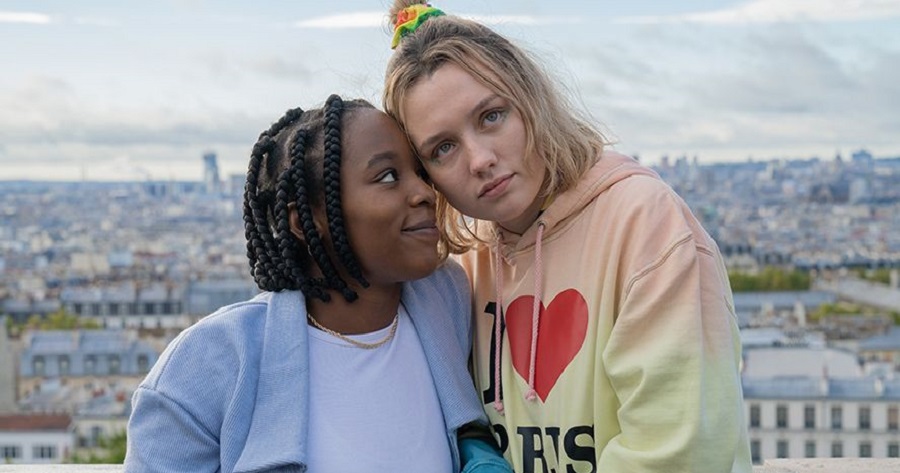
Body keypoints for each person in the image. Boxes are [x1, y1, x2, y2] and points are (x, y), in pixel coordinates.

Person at [383, 2, 753, 472]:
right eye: (443, 148)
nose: (479, 160)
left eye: (491, 117)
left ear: (531, 100)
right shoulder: (465, 267)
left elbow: (676, 452)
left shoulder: (645, 225)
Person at [124, 95, 512, 472]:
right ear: (306, 221)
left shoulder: (447, 299)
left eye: (421, 173)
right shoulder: (211, 362)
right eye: (388, 176)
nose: (425, 193)